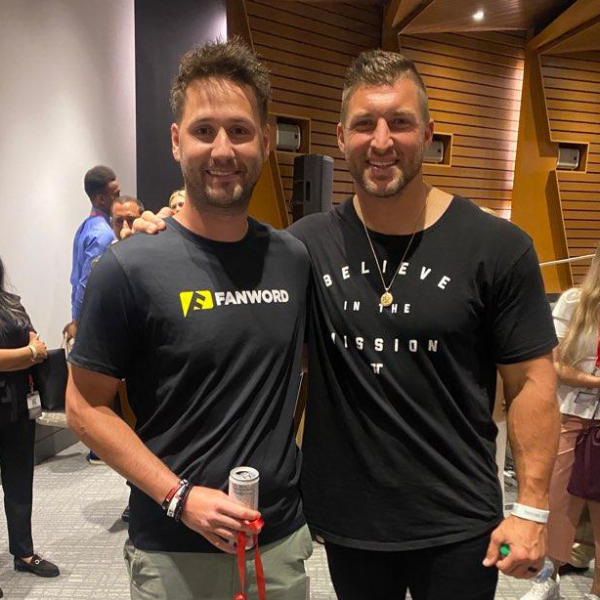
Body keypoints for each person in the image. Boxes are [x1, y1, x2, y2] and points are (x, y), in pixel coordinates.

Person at [132, 49, 561, 600]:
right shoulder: (301, 248)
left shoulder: (497, 246)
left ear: (428, 133)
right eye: (364, 125)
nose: (381, 142)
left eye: (399, 122)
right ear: (341, 137)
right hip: (349, 525)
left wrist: (532, 509)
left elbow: (531, 382)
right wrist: (162, 234)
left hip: (459, 522)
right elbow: (220, 269)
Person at [66, 38, 312, 600]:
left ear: (265, 141)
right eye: (204, 130)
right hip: (173, 551)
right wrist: (179, 496)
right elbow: (83, 407)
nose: (223, 149)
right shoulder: (129, 267)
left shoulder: (293, 259)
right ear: (177, 141)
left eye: (240, 130)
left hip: (276, 545)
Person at [521, 246, 600, 600]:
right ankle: (547, 577)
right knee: (556, 502)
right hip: (569, 416)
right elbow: (553, 365)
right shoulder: (572, 302)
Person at [0, 255, 60, 597]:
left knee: (20, 480)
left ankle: (23, 552)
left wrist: (27, 353)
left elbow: (38, 344)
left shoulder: (12, 302)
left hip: (18, 404)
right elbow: (31, 349)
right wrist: (27, 353)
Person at [63, 165, 121, 343]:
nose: (120, 200)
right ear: (101, 199)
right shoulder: (104, 234)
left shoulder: (85, 227)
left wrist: (75, 317)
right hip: (97, 323)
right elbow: (87, 281)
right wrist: (78, 323)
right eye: (116, 195)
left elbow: (76, 280)